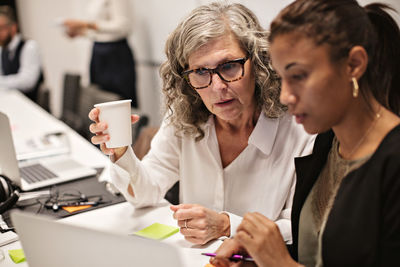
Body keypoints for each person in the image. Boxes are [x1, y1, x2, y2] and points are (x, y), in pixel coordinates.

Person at [89, 2, 314, 245]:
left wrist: (227, 226)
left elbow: (302, 227)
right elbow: (145, 193)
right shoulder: (184, 117)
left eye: (228, 66)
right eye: (200, 72)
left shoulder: (299, 129)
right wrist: (121, 151)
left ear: (258, 64)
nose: (218, 87)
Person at [211, 0, 400, 266]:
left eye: (298, 76)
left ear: (354, 64)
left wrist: (281, 263)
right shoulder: (326, 144)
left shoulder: (391, 163)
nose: (286, 96)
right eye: (282, 78)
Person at [63, 0, 138, 107]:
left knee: (120, 99)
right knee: (99, 97)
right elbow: (100, 32)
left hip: (115, 53)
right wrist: (81, 32)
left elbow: (124, 26)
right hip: (98, 52)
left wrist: (85, 25)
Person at [0, 5, 43, 102]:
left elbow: (27, 82)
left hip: (33, 105)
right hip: (12, 101)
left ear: (14, 27)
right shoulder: (2, 50)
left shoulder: (29, 46)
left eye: (1, 28)